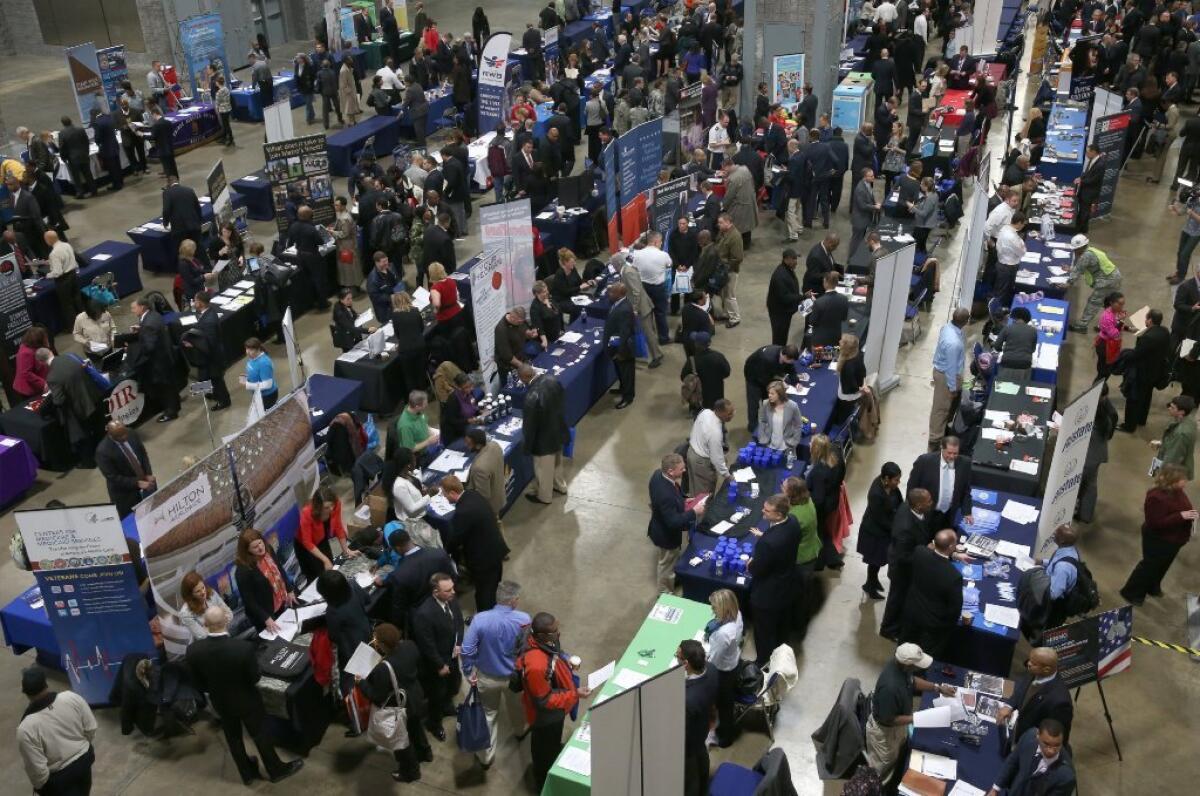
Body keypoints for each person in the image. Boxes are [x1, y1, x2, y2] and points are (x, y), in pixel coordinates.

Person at [187, 606, 303, 784]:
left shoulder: (194, 650)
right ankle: (275, 769)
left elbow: (197, 682)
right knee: (260, 734)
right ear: (226, 621)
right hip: (247, 700)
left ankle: (247, 774)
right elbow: (255, 677)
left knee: (233, 737)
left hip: (220, 701)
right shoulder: (243, 648)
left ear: (205, 624)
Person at [460, 580, 529, 769]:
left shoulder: (480, 620)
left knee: (488, 714)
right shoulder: (524, 620)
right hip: (513, 678)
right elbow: (526, 648)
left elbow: (466, 649)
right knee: (517, 705)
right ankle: (520, 731)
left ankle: (485, 757)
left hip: (486, 678)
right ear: (514, 600)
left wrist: (468, 671)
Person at [516, 612, 589, 790]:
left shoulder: (543, 641)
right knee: (543, 751)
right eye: (555, 632)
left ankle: (554, 751)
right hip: (545, 717)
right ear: (541, 635)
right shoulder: (536, 665)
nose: (559, 634)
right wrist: (574, 695)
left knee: (553, 742)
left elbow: (555, 656)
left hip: (556, 710)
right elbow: (543, 700)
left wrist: (566, 664)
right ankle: (543, 784)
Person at [864, 643, 953, 781]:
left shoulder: (899, 666)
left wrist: (937, 688)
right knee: (881, 769)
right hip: (885, 732)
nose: (918, 667)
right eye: (916, 664)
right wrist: (917, 718)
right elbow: (889, 719)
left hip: (897, 728)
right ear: (907, 665)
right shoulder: (890, 688)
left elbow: (912, 681)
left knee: (897, 757)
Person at [358, 623, 433, 782]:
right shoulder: (410, 645)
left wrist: (361, 682)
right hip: (416, 696)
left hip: (399, 706)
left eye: (376, 640)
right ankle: (426, 753)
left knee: (401, 741)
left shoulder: (383, 669)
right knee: (416, 727)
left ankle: (410, 771)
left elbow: (376, 696)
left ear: (383, 645)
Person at [1119, 463, 1196, 606]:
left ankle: (1153, 587)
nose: (1185, 482)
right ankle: (1131, 592)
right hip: (1158, 539)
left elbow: (1183, 507)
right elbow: (1155, 523)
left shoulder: (1177, 491)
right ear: (1172, 480)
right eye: (1182, 479)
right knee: (1150, 566)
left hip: (1175, 539)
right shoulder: (1156, 497)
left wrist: (1188, 515)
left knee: (1163, 565)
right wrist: (1181, 516)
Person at [17, 667, 97, 795]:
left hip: (59, 780)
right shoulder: (71, 698)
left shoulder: (26, 728)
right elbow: (91, 728)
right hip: (84, 763)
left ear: (25, 693)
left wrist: (44, 788)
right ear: (46, 684)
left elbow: (38, 773)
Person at [440, 474, 508, 610]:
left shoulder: (462, 512)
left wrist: (444, 552)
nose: (444, 498)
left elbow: (455, 539)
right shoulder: (473, 494)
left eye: (444, 494)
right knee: (493, 585)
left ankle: (485, 619)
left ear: (452, 493)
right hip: (496, 550)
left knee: (484, 594)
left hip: (484, 560)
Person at [748, 494, 801, 665]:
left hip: (768, 594)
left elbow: (758, 570)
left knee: (764, 631)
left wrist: (750, 564)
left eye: (766, 510)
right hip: (788, 584)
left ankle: (763, 661)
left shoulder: (768, 543)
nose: (762, 512)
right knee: (781, 625)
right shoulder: (792, 522)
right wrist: (764, 536)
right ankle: (781, 648)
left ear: (778, 515)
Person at [411, 573, 465, 741]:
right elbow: (426, 644)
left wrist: (459, 643)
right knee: (437, 694)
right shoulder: (424, 614)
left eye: (452, 588)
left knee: (452, 686)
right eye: (448, 590)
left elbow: (459, 623)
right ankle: (434, 723)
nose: (453, 592)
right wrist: (440, 665)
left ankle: (447, 706)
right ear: (436, 592)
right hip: (437, 664)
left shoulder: (451, 600)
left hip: (453, 656)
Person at [901, 529, 967, 659]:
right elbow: (954, 610)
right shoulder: (953, 576)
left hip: (911, 612)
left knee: (905, 649)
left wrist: (953, 555)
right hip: (932, 624)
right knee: (924, 658)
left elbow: (930, 549)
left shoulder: (919, 552)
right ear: (951, 547)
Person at [648, 453, 705, 593]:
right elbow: (673, 522)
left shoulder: (658, 475)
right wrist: (694, 512)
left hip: (660, 525)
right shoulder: (665, 495)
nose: (684, 471)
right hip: (666, 536)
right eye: (681, 469)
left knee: (670, 562)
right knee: (666, 565)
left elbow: (673, 496)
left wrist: (683, 500)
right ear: (671, 471)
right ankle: (664, 593)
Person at [996, 647, 1074, 746]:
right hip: (1018, 733)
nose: (1028, 664)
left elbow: (1056, 739)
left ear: (1046, 669)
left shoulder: (1060, 702)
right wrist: (1009, 706)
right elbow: (1021, 686)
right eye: (1030, 660)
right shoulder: (1035, 670)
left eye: (1033, 663)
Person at [518, 364, 570, 505]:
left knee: (543, 470)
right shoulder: (552, 380)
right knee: (558, 463)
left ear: (523, 378)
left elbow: (529, 427)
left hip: (543, 441)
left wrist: (527, 447)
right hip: (558, 431)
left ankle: (544, 496)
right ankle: (560, 486)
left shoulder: (531, 397)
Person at [124, 295, 181, 421]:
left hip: (158, 363)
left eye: (134, 308)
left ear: (142, 307)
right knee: (170, 385)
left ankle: (170, 412)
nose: (132, 311)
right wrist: (141, 329)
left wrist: (132, 347)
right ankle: (175, 405)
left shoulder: (148, 324)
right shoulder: (153, 315)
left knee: (165, 388)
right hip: (166, 356)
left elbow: (149, 347)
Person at [315, 569, 371, 692]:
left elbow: (334, 637)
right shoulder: (353, 584)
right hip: (367, 632)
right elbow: (368, 599)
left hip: (352, 650)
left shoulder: (333, 612)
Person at [232, 528, 297, 634]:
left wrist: (289, 590)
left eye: (260, 543)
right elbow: (248, 600)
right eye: (255, 547)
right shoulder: (243, 570)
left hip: (280, 602)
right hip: (264, 615)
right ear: (247, 550)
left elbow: (279, 569)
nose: (260, 548)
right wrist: (265, 618)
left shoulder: (268, 550)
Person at [987, 720, 1076, 796]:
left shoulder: (1066, 777)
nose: (1051, 751)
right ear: (1038, 736)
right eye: (1046, 744)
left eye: (1057, 745)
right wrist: (995, 789)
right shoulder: (1029, 737)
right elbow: (1012, 761)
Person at [703, 589, 743, 748]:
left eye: (714, 608)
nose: (712, 610)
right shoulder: (737, 615)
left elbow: (713, 661)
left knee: (724, 706)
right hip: (734, 662)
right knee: (726, 705)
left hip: (723, 672)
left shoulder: (722, 634)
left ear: (724, 609)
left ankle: (724, 738)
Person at [1121, 308, 1172, 430]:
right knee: (1146, 397)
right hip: (1155, 372)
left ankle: (1129, 425)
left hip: (1142, 373)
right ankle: (1141, 419)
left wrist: (1124, 355)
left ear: (1150, 320)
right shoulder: (1164, 332)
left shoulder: (1148, 338)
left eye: (1146, 318)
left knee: (1134, 399)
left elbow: (1136, 354)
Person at [678, 639, 717, 796]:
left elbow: (684, 732)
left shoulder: (688, 699)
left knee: (690, 779)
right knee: (702, 760)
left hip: (689, 743)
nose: (676, 656)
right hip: (703, 728)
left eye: (677, 655)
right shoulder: (713, 670)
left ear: (686, 663)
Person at [858, 462, 902, 600]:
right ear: (887, 478)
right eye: (896, 480)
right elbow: (880, 519)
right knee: (875, 561)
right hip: (874, 533)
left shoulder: (891, 487)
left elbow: (899, 501)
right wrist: (896, 528)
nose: (898, 482)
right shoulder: (876, 494)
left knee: (878, 561)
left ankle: (873, 581)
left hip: (884, 530)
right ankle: (870, 587)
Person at [929, 308, 969, 448]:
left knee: (947, 408)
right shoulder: (954, 343)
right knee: (941, 409)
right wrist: (952, 388)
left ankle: (942, 430)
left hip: (943, 372)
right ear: (966, 321)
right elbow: (951, 369)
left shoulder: (946, 327)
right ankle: (935, 439)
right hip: (947, 377)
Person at [1066, 234, 1122, 333]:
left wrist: (1069, 283)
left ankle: (1082, 326)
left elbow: (1079, 270)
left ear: (1081, 247)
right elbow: (1085, 268)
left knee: (1094, 302)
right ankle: (1110, 324)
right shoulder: (1092, 251)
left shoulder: (1086, 255)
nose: (1074, 251)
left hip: (1107, 281)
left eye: (1075, 249)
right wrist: (1071, 269)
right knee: (1109, 302)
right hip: (1113, 277)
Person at [1078, 383, 1118, 524]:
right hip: (1095, 453)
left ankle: (1084, 514)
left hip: (1089, 454)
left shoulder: (1103, 415)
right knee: (1089, 483)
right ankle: (1084, 513)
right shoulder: (1106, 411)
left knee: (1086, 484)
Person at [175, 571, 231, 655]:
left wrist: (208, 627)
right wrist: (220, 621)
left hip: (226, 639)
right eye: (198, 591)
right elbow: (202, 636)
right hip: (207, 649)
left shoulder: (211, 593)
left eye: (203, 587)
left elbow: (229, 614)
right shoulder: (185, 613)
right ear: (190, 595)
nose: (203, 592)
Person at [688, 400, 736, 496]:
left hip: (691, 452)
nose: (732, 415)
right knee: (704, 496)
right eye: (729, 413)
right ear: (721, 413)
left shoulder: (705, 412)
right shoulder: (714, 432)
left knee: (695, 489)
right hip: (701, 462)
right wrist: (727, 476)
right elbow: (716, 459)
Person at [604, 283, 637, 408]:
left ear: (619, 294)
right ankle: (623, 388)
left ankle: (628, 397)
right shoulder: (618, 303)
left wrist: (620, 351)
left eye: (612, 292)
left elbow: (625, 333)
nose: (609, 294)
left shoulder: (624, 310)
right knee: (620, 371)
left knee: (627, 373)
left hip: (623, 350)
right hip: (616, 346)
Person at [1152, 395, 1197, 479]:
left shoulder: (1181, 433)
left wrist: (1161, 475)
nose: (1169, 408)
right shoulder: (1188, 420)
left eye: (1173, 408)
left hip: (1173, 471)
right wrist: (1163, 443)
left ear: (1182, 412)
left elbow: (1173, 457)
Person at [161, 177, 204, 267]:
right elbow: (197, 207)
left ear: (168, 184)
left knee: (181, 250)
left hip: (179, 228)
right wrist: (199, 221)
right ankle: (204, 267)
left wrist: (165, 223)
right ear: (178, 182)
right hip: (194, 225)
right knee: (198, 247)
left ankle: (185, 269)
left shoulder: (167, 192)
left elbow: (166, 210)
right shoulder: (189, 190)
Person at [45, 230, 83, 324]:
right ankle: (85, 320)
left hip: (63, 280)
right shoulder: (67, 245)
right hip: (73, 274)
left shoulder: (54, 254)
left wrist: (48, 275)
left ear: (49, 240)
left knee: (67, 305)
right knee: (77, 299)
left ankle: (74, 326)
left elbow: (58, 272)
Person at [766, 249, 802, 346]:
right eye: (793, 259)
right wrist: (801, 297)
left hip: (784, 311)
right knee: (779, 337)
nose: (796, 262)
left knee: (783, 335)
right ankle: (777, 355)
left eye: (796, 258)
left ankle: (781, 352)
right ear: (786, 259)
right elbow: (784, 297)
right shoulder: (780, 276)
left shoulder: (787, 270)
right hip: (779, 312)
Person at [755, 381, 803, 454]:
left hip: (787, 446)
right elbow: (762, 421)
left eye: (772, 393)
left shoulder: (792, 406)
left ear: (780, 394)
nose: (769, 395)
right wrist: (762, 438)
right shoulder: (765, 404)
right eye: (769, 393)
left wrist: (794, 441)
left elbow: (798, 425)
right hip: (769, 445)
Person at [714, 213, 744, 328]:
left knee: (730, 295)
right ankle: (727, 313)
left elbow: (738, 258)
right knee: (723, 293)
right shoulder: (723, 232)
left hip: (730, 271)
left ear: (728, 222)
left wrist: (726, 268)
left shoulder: (735, 237)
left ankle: (735, 317)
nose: (719, 225)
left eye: (721, 222)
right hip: (721, 269)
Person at [807, 272, 849, 349]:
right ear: (836, 283)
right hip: (836, 337)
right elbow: (844, 317)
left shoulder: (818, 302)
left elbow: (812, 321)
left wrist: (814, 307)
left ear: (825, 283)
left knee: (818, 360)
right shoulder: (844, 299)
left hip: (820, 340)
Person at [395, 390, 441, 457]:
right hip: (421, 454)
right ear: (417, 406)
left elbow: (424, 423)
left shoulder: (418, 411)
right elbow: (410, 449)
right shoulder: (405, 426)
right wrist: (428, 441)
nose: (427, 405)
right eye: (425, 404)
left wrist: (431, 431)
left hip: (429, 443)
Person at [992, 306, 1038, 371]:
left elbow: (996, 346)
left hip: (1007, 361)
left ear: (1015, 318)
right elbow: (1033, 350)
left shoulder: (1007, 328)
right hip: (1025, 363)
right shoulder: (1033, 331)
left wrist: (1004, 349)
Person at [12, 327, 49, 399]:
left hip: (37, 384)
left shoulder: (35, 348)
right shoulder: (26, 353)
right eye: (44, 337)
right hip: (28, 388)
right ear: (38, 339)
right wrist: (43, 384)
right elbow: (26, 373)